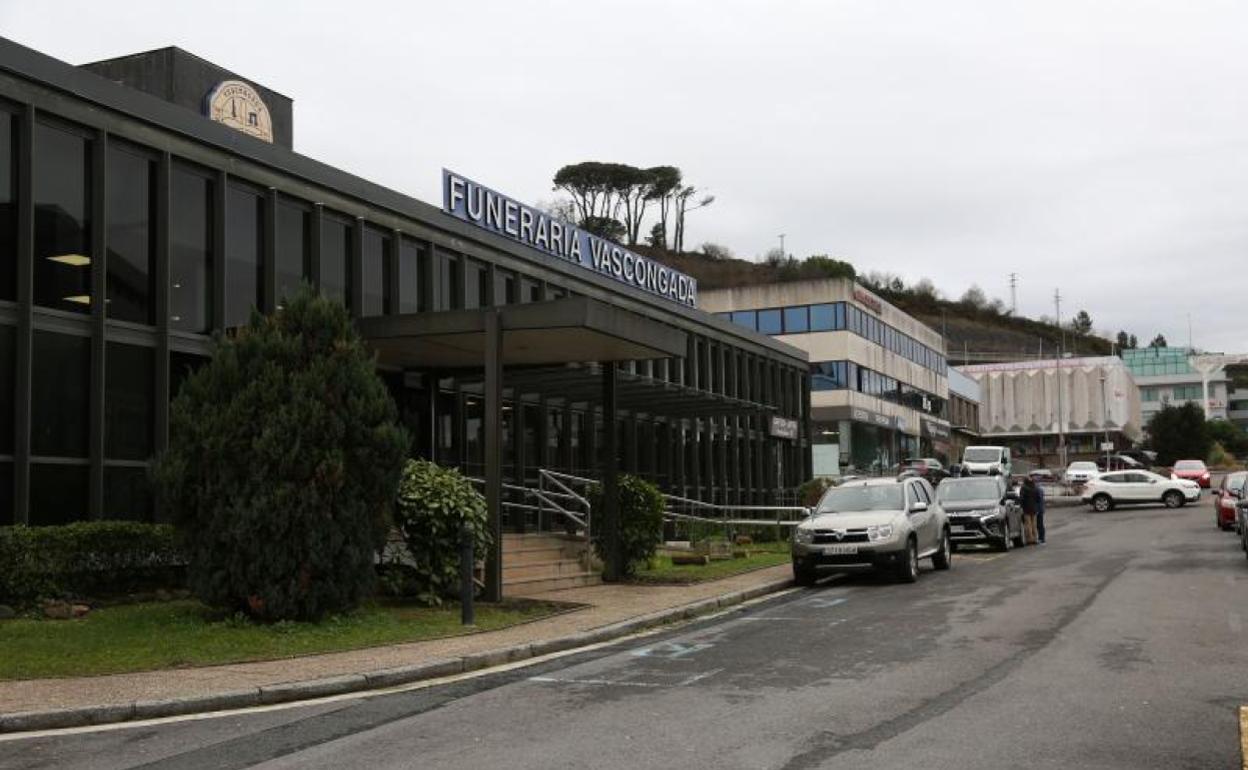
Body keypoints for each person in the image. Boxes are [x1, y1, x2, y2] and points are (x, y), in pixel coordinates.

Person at [1020, 477, 1039, 546]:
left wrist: (1021, 506)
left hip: (1026, 508)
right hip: (1034, 508)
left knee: (1028, 524)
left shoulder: (1023, 488)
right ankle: (1035, 538)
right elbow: (1037, 498)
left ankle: (1030, 539)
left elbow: (1021, 498)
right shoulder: (1034, 487)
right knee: (1034, 524)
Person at [1035, 478, 1047, 544]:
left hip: (1039, 509)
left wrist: (1037, 509)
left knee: (1039, 525)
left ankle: (1041, 538)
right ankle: (1041, 538)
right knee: (1040, 524)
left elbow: (1038, 500)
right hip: (1041, 509)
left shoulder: (1038, 489)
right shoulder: (1040, 488)